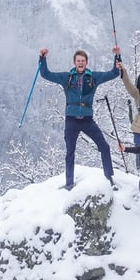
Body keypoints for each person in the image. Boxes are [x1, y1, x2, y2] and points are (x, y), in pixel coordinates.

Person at [38, 46, 121, 190]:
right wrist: (42, 58)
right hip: (71, 120)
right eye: (78, 61)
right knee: (70, 152)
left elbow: (114, 73)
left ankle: (109, 178)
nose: (81, 63)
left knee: (104, 147)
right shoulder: (67, 77)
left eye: (83, 61)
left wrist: (117, 56)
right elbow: (45, 74)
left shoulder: (93, 77)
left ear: (86, 62)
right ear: (74, 62)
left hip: (87, 120)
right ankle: (69, 183)